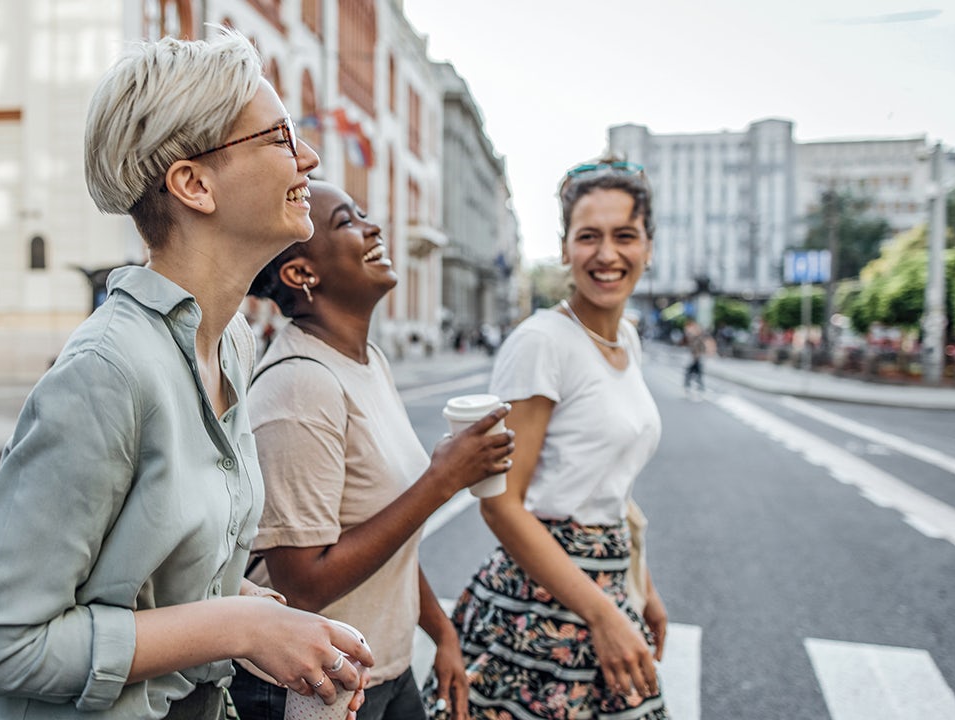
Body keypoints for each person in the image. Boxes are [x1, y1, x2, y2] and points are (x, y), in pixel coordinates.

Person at [0, 29, 373, 720]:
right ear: (194, 184)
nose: (310, 157)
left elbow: (168, 586)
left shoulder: (230, 341)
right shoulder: (105, 373)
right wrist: (238, 627)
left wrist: (268, 621)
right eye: (279, 137)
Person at [233, 181, 516, 720]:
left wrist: (441, 632)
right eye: (347, 221)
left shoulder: (369, 362)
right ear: (301, 274)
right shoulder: (300, 384)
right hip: (310, 688)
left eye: (363, 214)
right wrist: (443, 480)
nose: (374, 227)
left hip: (382, 668)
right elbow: (302, 587)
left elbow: (389, 535)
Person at [425, 158, 669, 720]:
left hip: (607, 581)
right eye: (589, 237)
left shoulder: (627, 339)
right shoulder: (541, 342)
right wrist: (604, 615)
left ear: (648, 247)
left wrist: (641, 588)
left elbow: (604, 486)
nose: (607, 254)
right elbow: (502, 506)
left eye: (624, 236)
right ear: (565, 249)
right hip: (539, 604)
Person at [682, 320, 710, 394]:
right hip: (695, 358)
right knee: (695, 373)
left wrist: (698, 355)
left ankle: (695, 386)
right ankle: (696, 387)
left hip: (697, 358)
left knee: (693, 372)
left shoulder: (699, 338)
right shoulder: (694, 337)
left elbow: (702, 348)